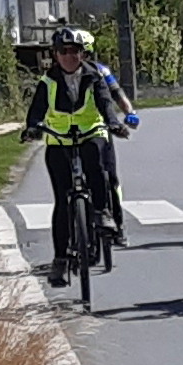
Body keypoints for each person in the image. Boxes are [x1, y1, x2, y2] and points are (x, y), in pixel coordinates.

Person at [22, 27, 128, 288]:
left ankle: (102, 212)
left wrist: (113, 123)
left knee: (97, 165)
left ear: (83, 53)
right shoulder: (48, 81)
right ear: (55, 55)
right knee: (62, 200)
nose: (69, 56)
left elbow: (105, 102)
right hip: (59, 140)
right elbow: (37, 109)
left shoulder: (94, 77)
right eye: (63, 51)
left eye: (75, 51)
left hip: (89, 133)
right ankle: (60, 260)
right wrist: (33, 128)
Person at [77, 29, 138, 247]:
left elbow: (117, 93)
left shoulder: (101, 71)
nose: (77, 57)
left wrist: (129, 112)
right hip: (72, 135)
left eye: (82, 52)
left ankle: (118, 226)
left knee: (110, 178)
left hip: (99, 131)